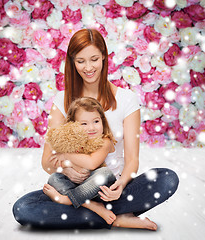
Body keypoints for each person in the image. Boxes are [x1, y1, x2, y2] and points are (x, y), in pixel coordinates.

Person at [13, 28, 179, 230]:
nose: (88, 67)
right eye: (81, 61)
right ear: (72, 62)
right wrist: (65, 168)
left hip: (112, 187)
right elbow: (47, 161)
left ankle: (96, 211)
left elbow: (133, 159)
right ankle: (113, 215)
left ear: (104, 58)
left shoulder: (127, 99)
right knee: (23, 208)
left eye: (94, 59)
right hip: (74, 188)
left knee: (167, 179)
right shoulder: (62, 101)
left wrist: (121, 186)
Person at [43, 97, 117, 225]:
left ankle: (67, 200)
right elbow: (57, 163)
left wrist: (66, 155)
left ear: (102, 121)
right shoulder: (74, 144)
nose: (91, 128)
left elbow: (92, 163)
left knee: (104, 173)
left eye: (96, 121)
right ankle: (90, 205)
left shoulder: (105, 141)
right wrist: (66, 166)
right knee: (54, 178)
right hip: (81, 189)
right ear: (73, 126)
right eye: (84, 124)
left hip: (102, 190)